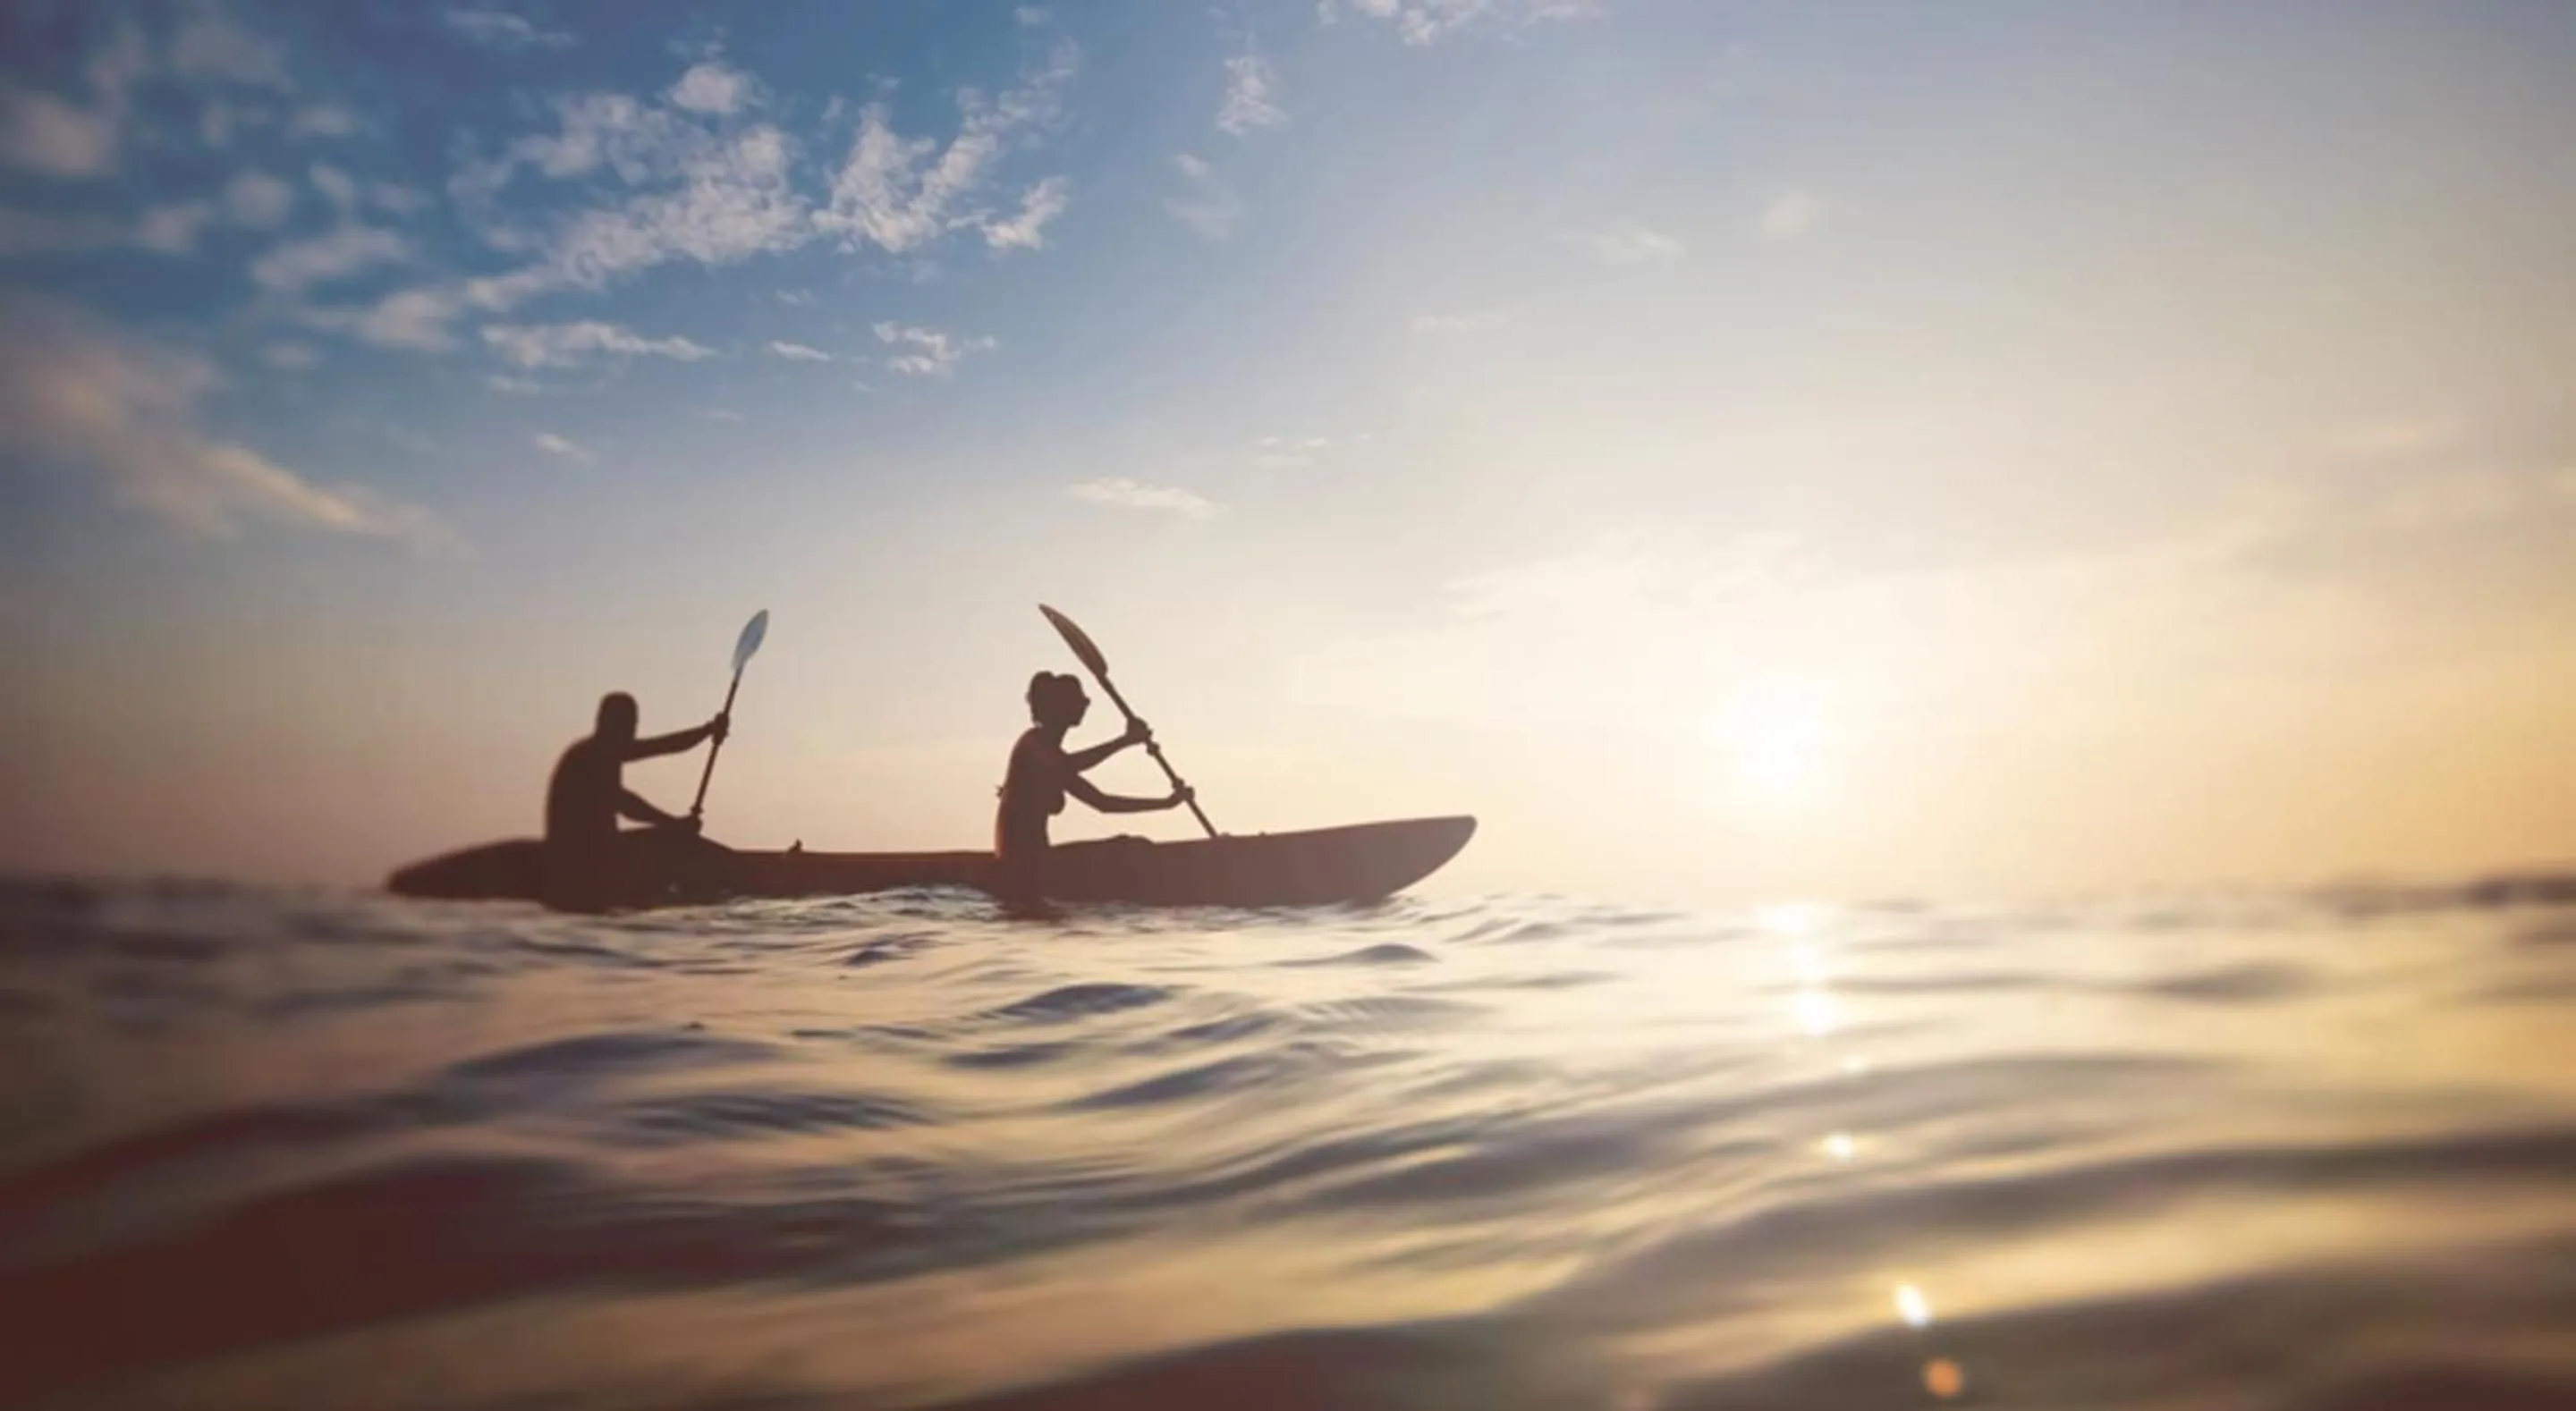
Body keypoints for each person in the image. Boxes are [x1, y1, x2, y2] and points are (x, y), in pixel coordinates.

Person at [994, 672, 1191, 901]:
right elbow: (1070, 765)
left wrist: (1166, 803)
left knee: (1131, 845)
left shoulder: (1052, 760)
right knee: (1128, 850)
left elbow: (1103, 803)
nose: (1086, 703)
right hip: (1020, 862)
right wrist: (1125, 741)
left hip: (1038, 858)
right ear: (1059, 706)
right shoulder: (1032, 744)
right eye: (1079, 698)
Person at [542, 691, 728, 909]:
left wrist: (707, 730)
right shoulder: (590, 756)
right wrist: (675, 825)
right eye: (627, 724)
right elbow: (624, 803)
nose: (632, 731)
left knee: (671, 837)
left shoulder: (604, 749)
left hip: (598, 851)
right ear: (606, 723)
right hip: (586, 858)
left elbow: (663, 746)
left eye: (633, 724)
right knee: (671, 841)